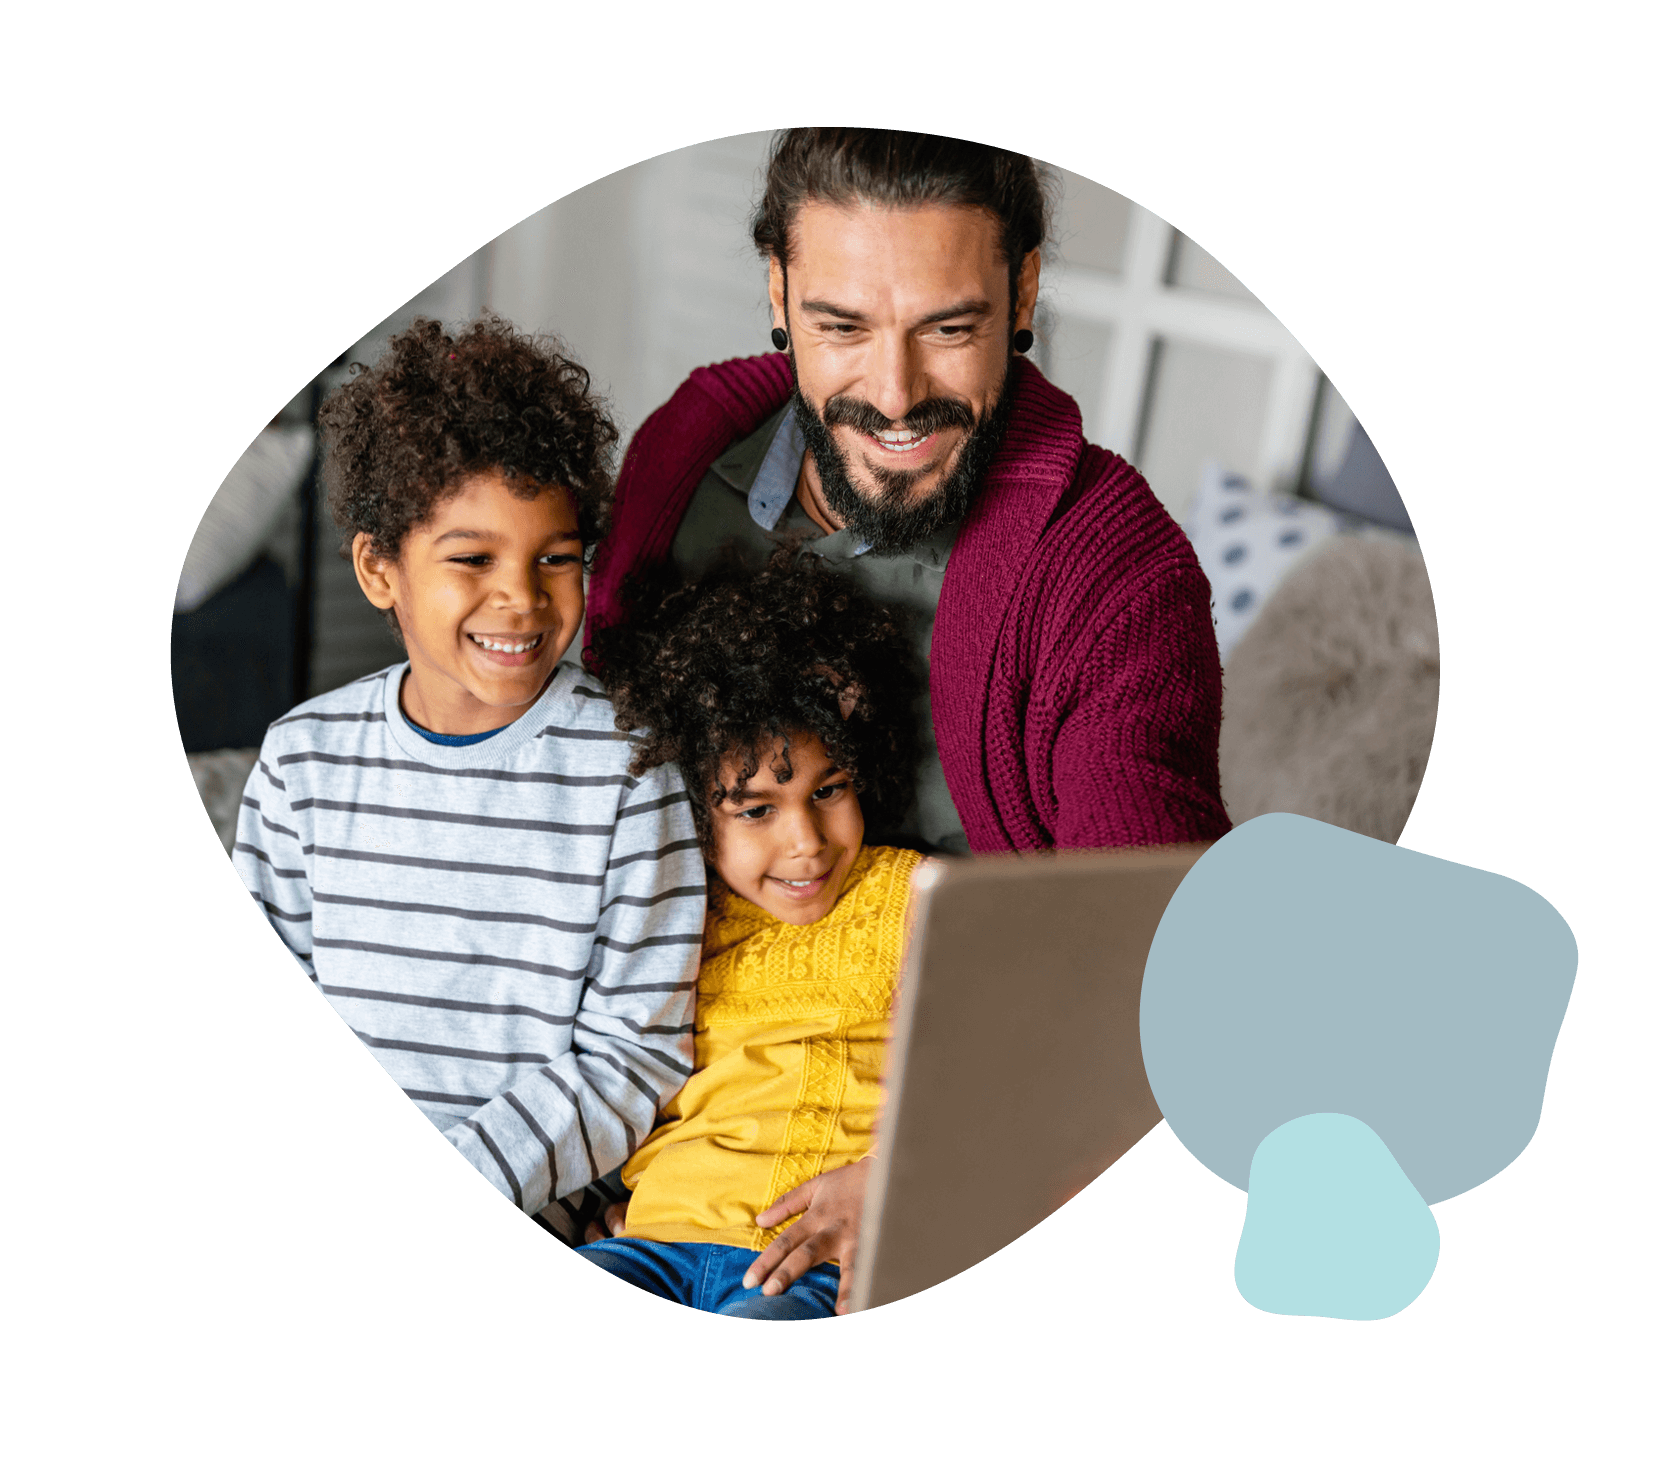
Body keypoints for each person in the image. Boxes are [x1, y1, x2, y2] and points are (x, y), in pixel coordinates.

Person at [586, 128, 1233, 858]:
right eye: (840, 327)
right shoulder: (681, 456)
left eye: (948, 329)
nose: (895, 395)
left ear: (1021, 293)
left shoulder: (1113, 567)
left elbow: (1137, 891)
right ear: (779, 292)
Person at [233, 315, 707, 1243]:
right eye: (471, 559)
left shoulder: (632, 769)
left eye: (556, 559)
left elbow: (633, 1055)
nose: (523, 598)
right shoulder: (301, 761)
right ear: (380, 568)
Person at [574, 545, 927, 1318]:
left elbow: (985, 1078)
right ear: (696, 820)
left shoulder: (913, 895)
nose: (806, 842)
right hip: (652, 1241)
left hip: (809, 1258)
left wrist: (893, 1177)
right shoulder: (667, 918)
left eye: (828, 789)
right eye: (757, 809)